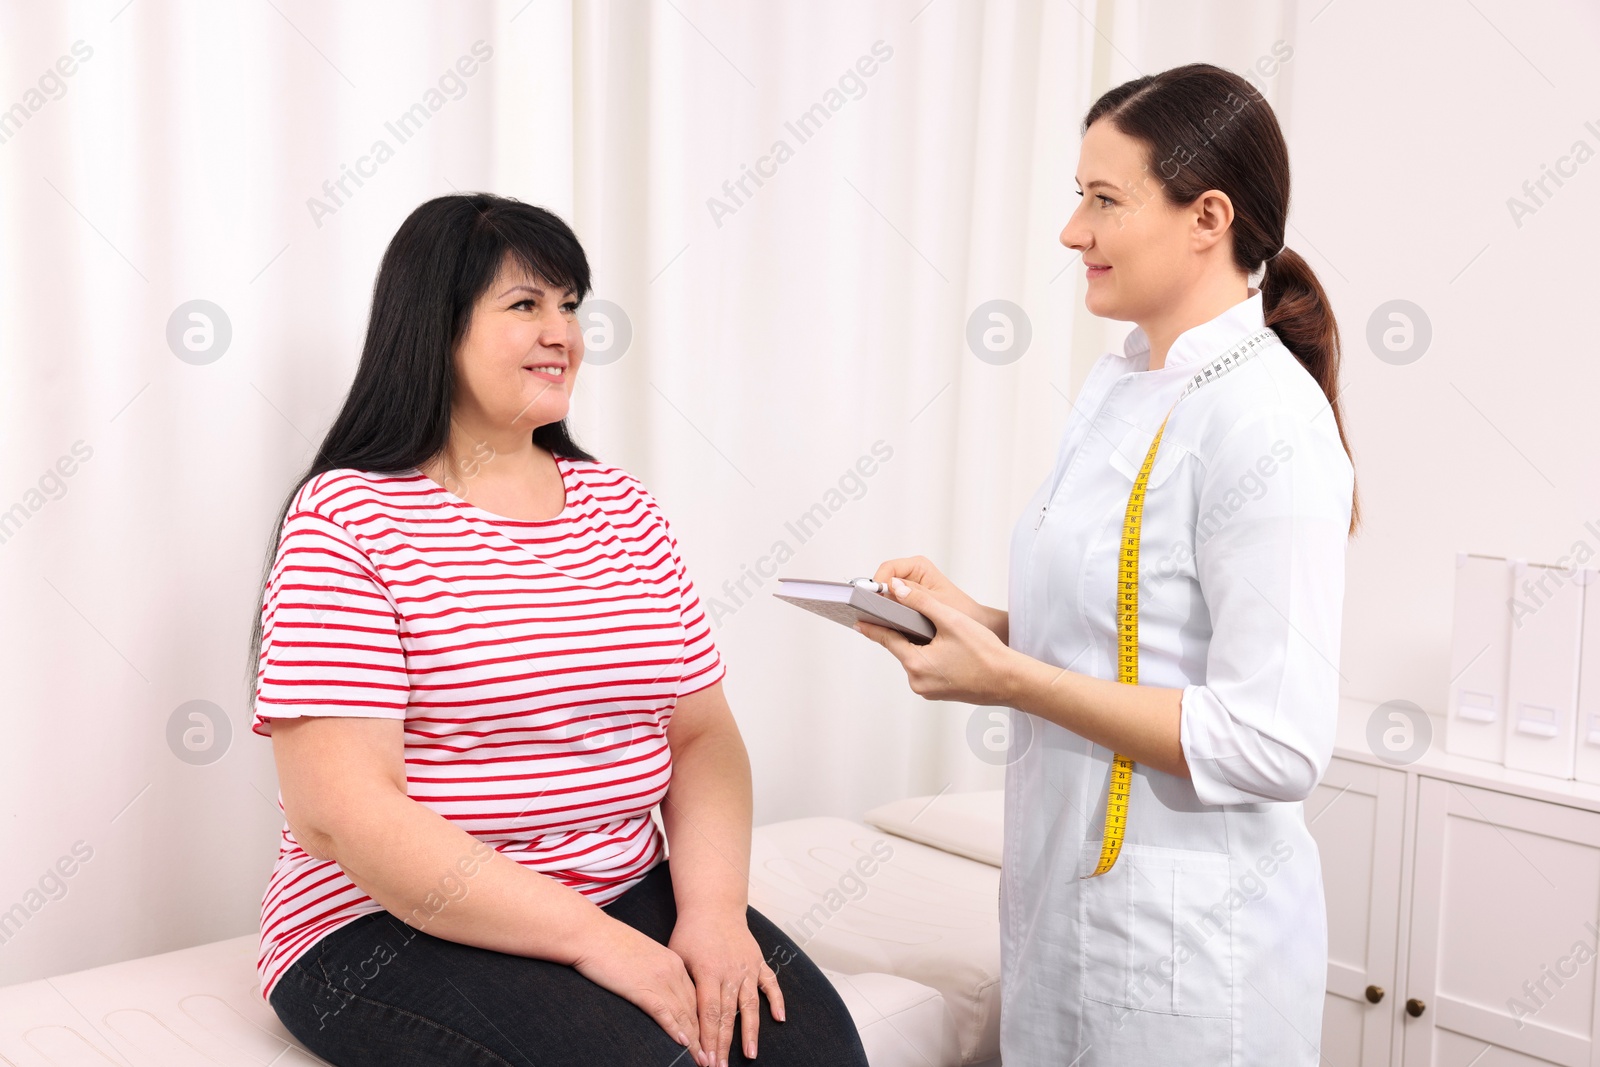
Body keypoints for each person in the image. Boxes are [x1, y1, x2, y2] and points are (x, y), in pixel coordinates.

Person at [246, 193, 869, 1067]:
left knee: (822, 1056)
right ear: (435, 325)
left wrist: (714, 914)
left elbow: (701, 735)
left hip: (623, 882)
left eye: (571, 305)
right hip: (388, 924)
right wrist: (601, 944)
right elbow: (342, 814)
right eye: (525, 305)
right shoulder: (351, 516)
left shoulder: (624, 508)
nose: (563, 333)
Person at [856, 63, 1359, 1066]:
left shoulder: (1265, 420)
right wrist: (981, 625)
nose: (1070, 232)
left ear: (1206, 215)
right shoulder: (1125, 382)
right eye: (1075, 197)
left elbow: (1274, 739)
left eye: (1102, 200)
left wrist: (1009, 679)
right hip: (1069, 923)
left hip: (1191, 963)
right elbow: (1126, 638)